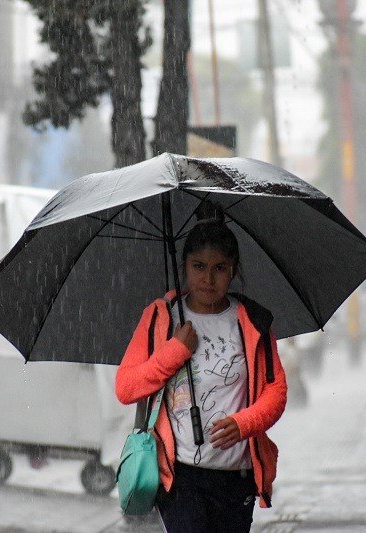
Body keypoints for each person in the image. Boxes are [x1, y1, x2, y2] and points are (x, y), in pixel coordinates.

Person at [115, 202, 288, 532]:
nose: (208, 279)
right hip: (180, 477)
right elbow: (126, 387)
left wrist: (244, 422)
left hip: (237, 478)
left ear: (233, 269)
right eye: (199, 267)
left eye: (219, 268)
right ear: (184, 266)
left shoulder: (253, 321)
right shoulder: (161, 317)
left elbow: (276, 391)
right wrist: (175, 351)